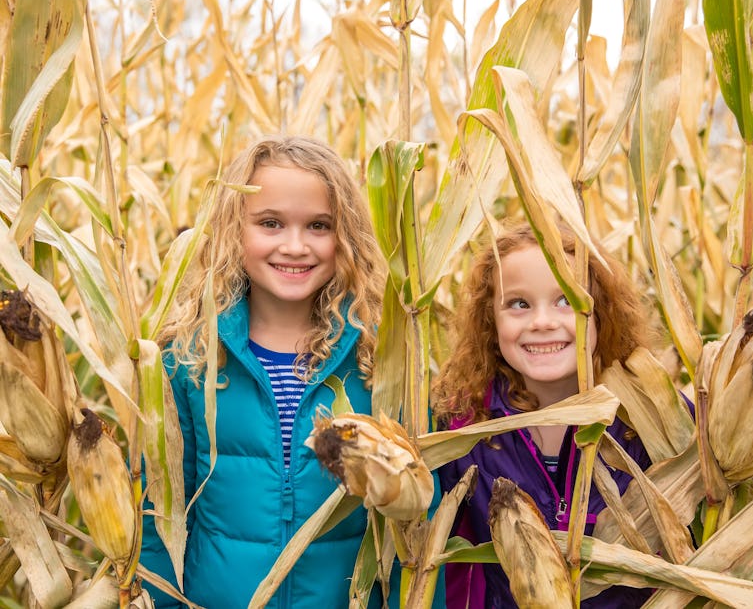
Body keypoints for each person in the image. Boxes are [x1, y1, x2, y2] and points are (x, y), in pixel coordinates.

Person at [140, 135, 389, 608]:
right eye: (270, 223)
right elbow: (160, 515)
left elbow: (415, 519)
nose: (295, 246)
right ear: (235, 230)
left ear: (346, 238)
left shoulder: (379, 359)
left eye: (319, 226)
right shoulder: (188, 360)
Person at [432, 223, 660, 608]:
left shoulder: (647, 424)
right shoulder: (462, 427)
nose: (541, 322)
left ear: (601, 312)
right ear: (491, 320)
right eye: (519, 304)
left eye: (565, 300)